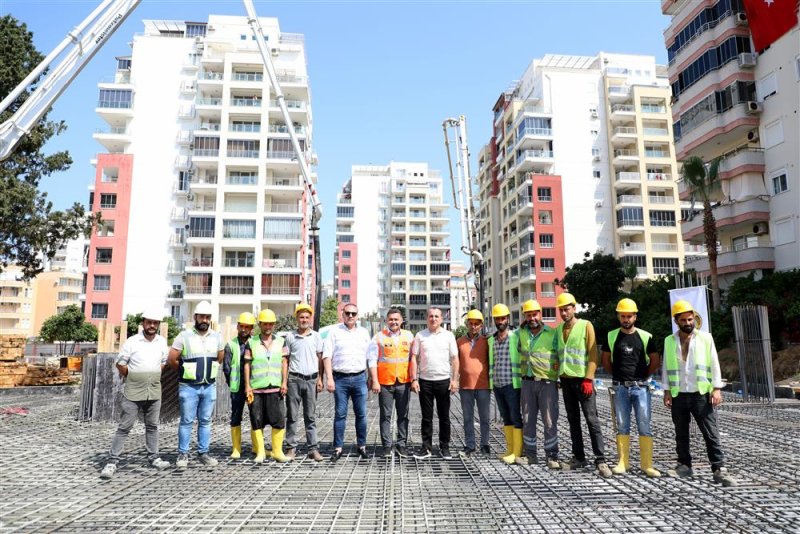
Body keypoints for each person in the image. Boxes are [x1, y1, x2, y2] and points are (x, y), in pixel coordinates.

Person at [662, 300, 736, 487]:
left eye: (690, 319)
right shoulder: (669, 341)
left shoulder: (705, 338)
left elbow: (714, 363)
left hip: (701, 394)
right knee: (681, 432)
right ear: (676, 321)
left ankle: (719, 468)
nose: (688, 323)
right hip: (679, 393)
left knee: (710, 433)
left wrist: (717, 388)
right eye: (684, 320)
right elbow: (665, 368)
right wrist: (667, 391)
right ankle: (684, 465)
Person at [100, 308, 170, 479]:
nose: (152, 325)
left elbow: (163, 364)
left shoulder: (162, 342)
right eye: (149, 322)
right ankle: (112, 461)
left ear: (158, 325)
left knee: (152, 426)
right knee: (125, 426)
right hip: (133, 391)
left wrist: (150, 375)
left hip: (153, 390)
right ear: (143, 323)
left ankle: (154, 457)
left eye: (155, 323)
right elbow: (120, 364)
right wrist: (133, 377)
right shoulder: (132, 341)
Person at [601, 298, 661, 477]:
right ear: (619, 316)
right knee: (622, 425)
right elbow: (606, 360)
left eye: (629, 316)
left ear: (635, 316)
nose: (626, 319)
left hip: (641, 388)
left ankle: (647, 464)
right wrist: (618, 377)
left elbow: (655, 360)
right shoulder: (612, 336)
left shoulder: (645, 336)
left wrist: (643, 377)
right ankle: (623, 462)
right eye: (623, 316)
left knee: (644, 425)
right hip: (620, 388)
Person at [555, 292, 613, 478]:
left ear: (574, 308)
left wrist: (589, 378)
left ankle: (601, 459)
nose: (564, 313)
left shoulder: (585, 325)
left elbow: (592, 353)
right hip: (565, 380)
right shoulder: (558, 330)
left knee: (591, 419)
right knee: (573, 420)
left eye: (566, 309)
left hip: (583, 380)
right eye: (561, 310)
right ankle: (579, 457)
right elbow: (558, 355)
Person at [168, 300, 225, 469]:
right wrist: (185, 371)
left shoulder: (217, 337)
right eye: (202, 317)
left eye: (207, 317)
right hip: (189, 387)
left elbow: (220, 357)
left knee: (205, 421)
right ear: (195, 317)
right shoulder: (184, 336)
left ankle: (203, 453)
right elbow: (172, 359)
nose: (204, 320)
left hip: (209, 386)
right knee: (186, 421)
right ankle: (183, 454)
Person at [322, 303, 379, 462]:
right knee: (340, 415)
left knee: (361, 414)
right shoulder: (334, 332)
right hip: (340, 379)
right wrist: (330, 378)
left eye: (353, 313)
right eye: (348, 313)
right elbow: (327, 356)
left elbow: (371, 357)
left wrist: (372, 378)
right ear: (343, 314)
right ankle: (338, 448)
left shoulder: (364, 333)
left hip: (360, 378)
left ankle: (362, 446)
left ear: (357, 315)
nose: (350, 316)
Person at [516, 300, 560, 469]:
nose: (532, 317)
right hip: (527, 382)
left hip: (547, 382)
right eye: (528, 315)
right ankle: (530, 455)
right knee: (528, 419)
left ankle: (551, 456)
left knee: (549, 420)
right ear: (525, 317)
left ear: (540, 314)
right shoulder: (521, 333)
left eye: (535, 314)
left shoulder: (552, 333)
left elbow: (559, 356)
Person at [411, 307, 459, 459]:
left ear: (442, 319)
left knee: (444, 417)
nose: (433, 319)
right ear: (427, 318)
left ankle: (445, 447)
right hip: (425, 381)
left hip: (443, 381)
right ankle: (426, 448)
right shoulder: (420, 336)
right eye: (431, 316)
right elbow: (414, 358)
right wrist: (414, 379)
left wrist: (455, 379)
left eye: (436, 316)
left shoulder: (449, 335)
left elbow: (455, 359)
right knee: (426, 417)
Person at [243, 309, 290, 463]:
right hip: (256, 389)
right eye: (265, 323)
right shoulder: (252, 342)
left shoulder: (281, 342)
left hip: (275, 387)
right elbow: (247, 365)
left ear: (274, 325)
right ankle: (261, 453)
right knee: (257, 420)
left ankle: (277, 452)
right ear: (260, 324)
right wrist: (247, 386)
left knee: (278, 420)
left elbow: (284, 363)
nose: (268, 326)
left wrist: (284, 382)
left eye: (270, 323)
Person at [369, 308, 415, 458]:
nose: (394, 322)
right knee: (385, 415)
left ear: (402, 321)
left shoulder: (409, 336)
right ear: (386, 321)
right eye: (391, 319)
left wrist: (414, 379)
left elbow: (413, 359)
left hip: (403, 382)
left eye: (397, 319)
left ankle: (402, 445)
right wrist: (375, 381)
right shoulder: (378, 337)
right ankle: (387, 446)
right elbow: (372, 360)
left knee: (403, 415)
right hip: (385, 383)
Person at [283, 303, 324, 462]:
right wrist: (284, 382)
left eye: (307, 317)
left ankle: (312, 449)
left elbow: (320, 358)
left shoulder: (316, 336)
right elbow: (285, 360)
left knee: (310, 416)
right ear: (297, 318)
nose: (304, 320)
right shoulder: (290, 337)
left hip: (311, 380)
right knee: (292, 416)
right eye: (301, 317)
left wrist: (320, 379)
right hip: (294, 379)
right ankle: (291, 448)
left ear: (310, 318)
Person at [488, 303, 522, 464]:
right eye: (497, 319)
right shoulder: (491, 340)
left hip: (512, 383)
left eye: (502, 318)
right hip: (498, 384)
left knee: (515, 416)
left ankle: (517, 452)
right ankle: (509, 449)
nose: (500, 321)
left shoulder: (516, 336)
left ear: (508, 319)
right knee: (505, 417)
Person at [455, 309, 491, 457]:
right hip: (465, 386)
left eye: (477, 324)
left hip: (483, 386)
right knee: (467, 418)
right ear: (467, 324)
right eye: (471, 323)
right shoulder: (459, 342)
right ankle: (470, 445)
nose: (474, 326)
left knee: (485, 418)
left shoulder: (487, 341)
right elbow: (455, 362)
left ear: (481, 325)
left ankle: (485, 445)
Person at [223, 312, 256, 460]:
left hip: (253, 387)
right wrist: (233, 384)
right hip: (237, 388)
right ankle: (236, 449)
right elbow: (227, 368)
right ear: (237, 327)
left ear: (251, 329)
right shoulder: (230, 345)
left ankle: (256, 447)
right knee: (236, 417)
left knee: (256, 417)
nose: (244, 329)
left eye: (247, 327)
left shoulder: (255, 343)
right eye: (241, 326)